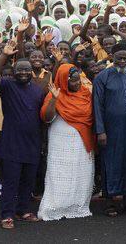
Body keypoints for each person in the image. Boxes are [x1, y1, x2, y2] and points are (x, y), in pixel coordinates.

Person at [0, 24, 48, 229]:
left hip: (32, 142)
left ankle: (23, 210)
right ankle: (7, 215)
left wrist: (41, 142)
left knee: (28, 181)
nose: (23, 73)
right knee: (11, 181)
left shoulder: (39, 91)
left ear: (32, 72)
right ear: (14, 71)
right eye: (20, 69)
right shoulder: (7, 84)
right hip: (12, 142)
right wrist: (4, 55)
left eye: (27, 70)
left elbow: (42, 118)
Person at [37, 63, 95, 221]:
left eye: (79, 80)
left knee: (80, 173)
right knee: (60, 173)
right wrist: (54, 100)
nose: (77, 83)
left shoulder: (85, 93)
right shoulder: (55, 92)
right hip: (60, 141)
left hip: (81, 141)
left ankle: (77, 206)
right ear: (63, 80)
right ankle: (55, 207)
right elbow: (46, 117)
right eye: (73, 81)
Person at [92, 42, 126, 216]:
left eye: (125, 58)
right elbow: (97, 106)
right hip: (111, 130)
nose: (122, 61)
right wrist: (100, 131)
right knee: (111, 164)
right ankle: (110, 202)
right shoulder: (102, 77)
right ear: (112, 58)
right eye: (119, 58)